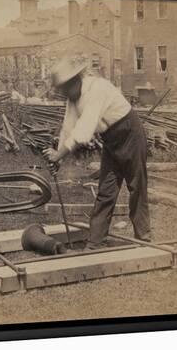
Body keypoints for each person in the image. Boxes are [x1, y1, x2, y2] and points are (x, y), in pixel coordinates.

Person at [43, 57, 151, 248]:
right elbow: (68, 128)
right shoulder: (73, 98)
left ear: (75, 80)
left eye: (64, 88)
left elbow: (84, 130)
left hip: (130, 132)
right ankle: (94, 243)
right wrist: (58, 158)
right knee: (106, 190)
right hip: (111, 139)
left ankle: (144, 239)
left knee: (136, 186)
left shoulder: (97, 88)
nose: (63, 93)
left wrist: (60, 154)